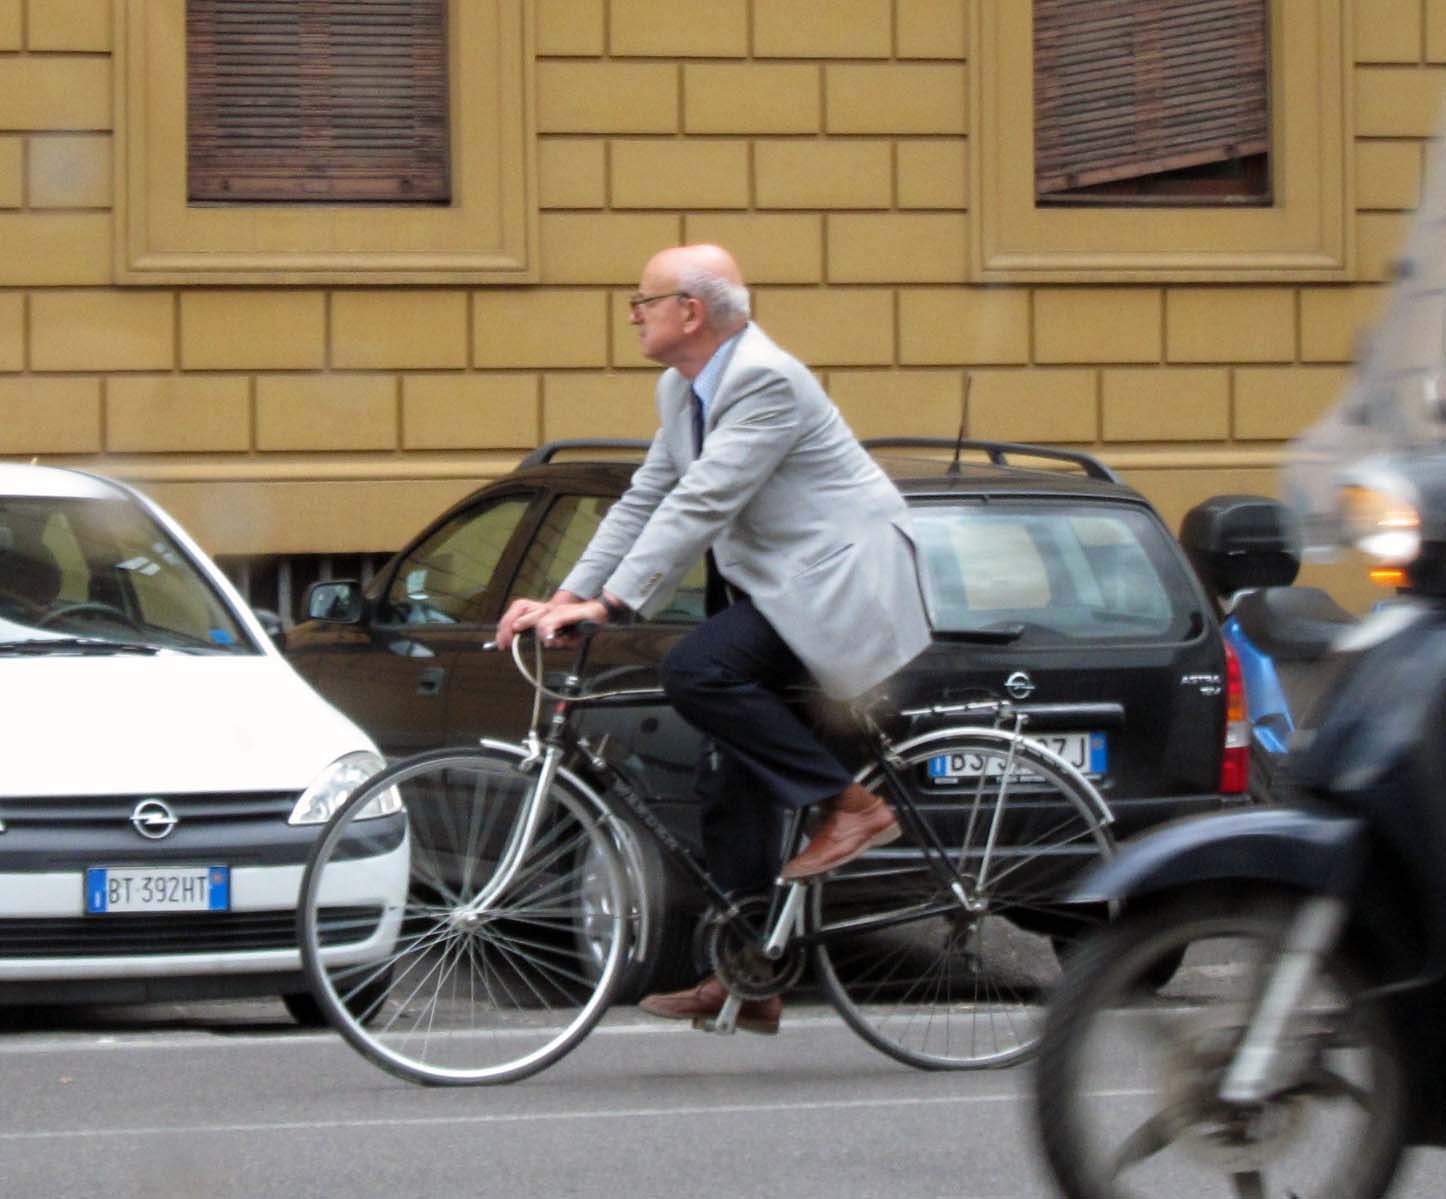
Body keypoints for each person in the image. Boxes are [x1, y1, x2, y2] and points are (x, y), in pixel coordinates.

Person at [497, 244, 932, 1033]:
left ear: (690, 312)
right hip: (779, 583)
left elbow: (703, 500)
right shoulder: (683, 386)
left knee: (697, 670)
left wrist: (615, 604)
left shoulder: (767, 380)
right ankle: (749, 975)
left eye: (643, 301)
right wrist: (563, 596)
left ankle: (855, 806)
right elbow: (643, 498)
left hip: (836, 583)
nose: (634, 315)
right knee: (727, 776)